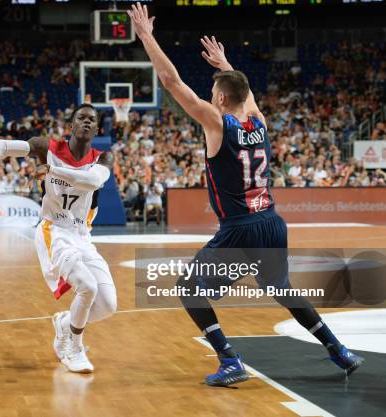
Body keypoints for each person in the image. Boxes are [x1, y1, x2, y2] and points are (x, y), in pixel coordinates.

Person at [128, 3, 363, 386]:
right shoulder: (260, 121)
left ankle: (230, 360)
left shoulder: (218, 123)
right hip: (272, 221)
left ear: (220, 99)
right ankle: (339, 350)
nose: (210, 95)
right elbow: (246, 92)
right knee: (281, 288)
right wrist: (225, 64)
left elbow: (172, 83)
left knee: (189, 289)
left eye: (214, 91)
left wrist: (147, 36)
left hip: (241, 227)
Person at [0, 104, 117, 373]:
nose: (86, 122)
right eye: (81, 118)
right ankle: (72, 347)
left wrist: (52, 171)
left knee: (108, 305)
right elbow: (5, 149)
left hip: (83, 235)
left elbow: (90, 182)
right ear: (72, 125)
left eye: (92, 120)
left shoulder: (103, 159)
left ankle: (65, 323)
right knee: (87, 286)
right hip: (55, 230)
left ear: (97, 129)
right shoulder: (47, 147)